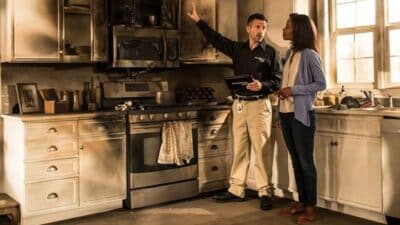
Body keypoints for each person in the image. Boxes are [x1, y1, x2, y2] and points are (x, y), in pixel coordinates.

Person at [187, 3, 282, 210]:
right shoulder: (238, 50)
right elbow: (216, 39)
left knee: (261, 150)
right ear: (248, 29)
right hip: (239, 105)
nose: (261, 31)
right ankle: (236, 189)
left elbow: (278, 81)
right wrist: (198, 21)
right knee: (240, 149)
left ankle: (265, 191)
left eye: (264, 27)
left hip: (259, 107)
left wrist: (262, 85)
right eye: (257, 27)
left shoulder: (271, 53)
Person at [276, 13, 326, 223]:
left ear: (297, 30)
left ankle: (311, 208)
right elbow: (286, 84)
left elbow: (321, 84)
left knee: (306, 163)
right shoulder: (290, 53)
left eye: (287, 26)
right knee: (296, 161)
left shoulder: (309, 54)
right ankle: (301, 201)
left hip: (302, 116)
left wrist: (293, 90)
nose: (283, 29)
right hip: (287, 115)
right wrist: (280, 110)